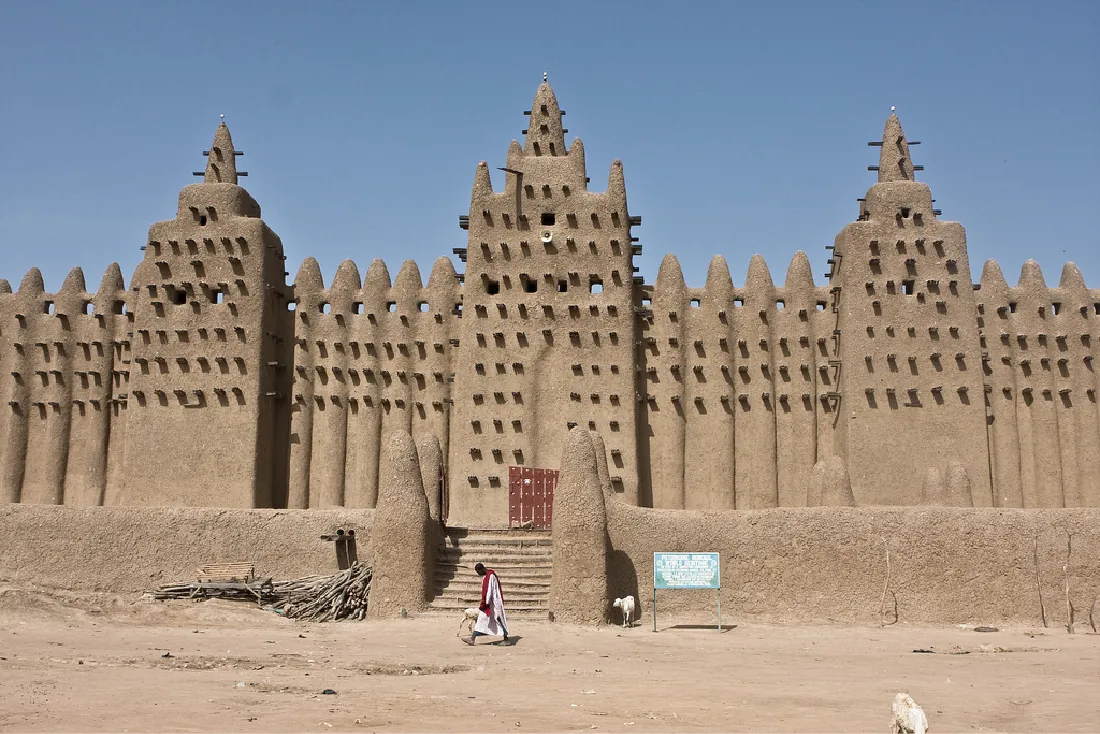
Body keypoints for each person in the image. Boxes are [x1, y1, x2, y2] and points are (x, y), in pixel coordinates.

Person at [466, 562, 510, 646]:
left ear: (481, 569)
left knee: (499, 620)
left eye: (478, 572)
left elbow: (490, 591)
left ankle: (506, 639)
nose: (478, 573)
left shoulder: (491, 576)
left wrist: (486, 602)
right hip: (489, 603)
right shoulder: (486, 577)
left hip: (493, 603)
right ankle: (472, 639)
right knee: (481, 620)